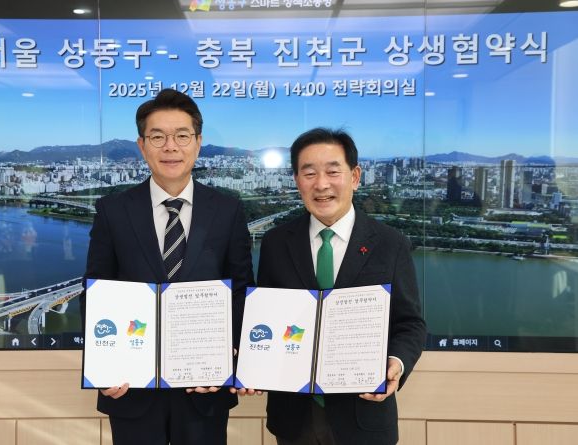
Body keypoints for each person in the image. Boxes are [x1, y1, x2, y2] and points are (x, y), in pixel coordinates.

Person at [83, 88, 254, 445]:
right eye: (158, 137)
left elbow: (241, 291)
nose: (170, 147)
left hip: (205, 387)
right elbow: (96, 292)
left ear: (198, 143)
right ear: (142, 145)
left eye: (182, 136)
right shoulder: (113, 210)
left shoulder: (227, 210)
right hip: (131, 388)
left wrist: (231, 355)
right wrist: (104, 363)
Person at [257, 128, 426, 444]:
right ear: (296, 180)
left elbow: (410, 323)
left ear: (355, 177)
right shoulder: (276, 243)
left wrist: (397, 362)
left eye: (333, 172)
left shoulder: (390, 244)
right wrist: (253, 362)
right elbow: (264, 317)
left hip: (364, 415)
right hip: (293, 416)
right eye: (309, 173)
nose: (321, 184)